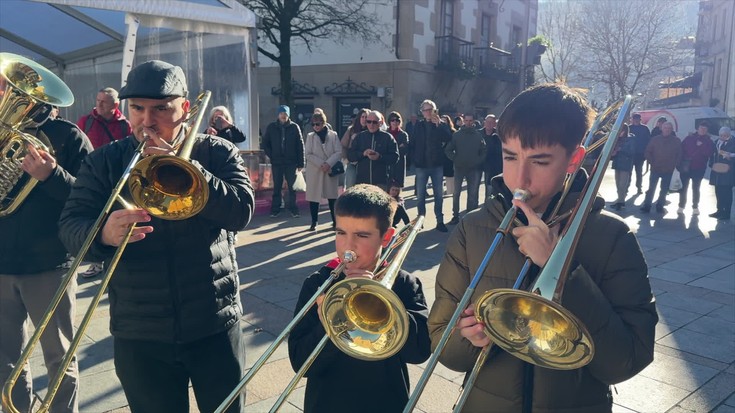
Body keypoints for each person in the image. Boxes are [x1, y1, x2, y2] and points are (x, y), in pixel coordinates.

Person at [428, 84, 657, 412]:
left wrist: (560, 268)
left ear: (573, 159)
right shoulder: (472, 228)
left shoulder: (612, 236)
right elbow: (441, 342)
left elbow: (627, 360)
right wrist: (467, 339)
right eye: (510, 156)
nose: (520, 177)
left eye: (540, 161)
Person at [58, 60, 254, 413]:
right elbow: (70, 226)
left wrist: (193, 172)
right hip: (140, 331)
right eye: (138, 108)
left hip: (214, 321)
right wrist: (102, 233)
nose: (147, 121)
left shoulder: (216, 152)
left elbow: (242, 212)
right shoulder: (104, 162)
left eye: (161, 108)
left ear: (186, 109)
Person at [287, 184, 431, 413]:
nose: (348, 246)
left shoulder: (404, 285)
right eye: (340, 232)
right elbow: (300, 363)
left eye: (362, 235)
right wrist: (329, 327)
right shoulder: (318, 284)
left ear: (386, 237)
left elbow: (420, 351)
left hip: (386, 402)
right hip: (327, 404)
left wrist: (386, 303)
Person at [0, 103, 92, 413]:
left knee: (59, 357)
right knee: (4, 358)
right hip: (2, 263)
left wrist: (51, 175)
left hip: (50, 265)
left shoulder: (69, 136)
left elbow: (89, 197)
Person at [76, 87, 132, 278]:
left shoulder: (126, 125)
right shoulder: (86, 121)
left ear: (115, 105)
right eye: (98, 100)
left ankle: (118, 258)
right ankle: (95, 262)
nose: (98, 104)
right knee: (94, 217)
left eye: (104, 102)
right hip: (93, 178)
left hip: (116, 179)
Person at [409, 99, 452, 232]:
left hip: (436, 165)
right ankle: (420, 220)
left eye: (430, 109)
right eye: (425, 110)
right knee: (420, 196)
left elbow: (448, 138)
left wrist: (439, 125)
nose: (428, 112)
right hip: (421, 165)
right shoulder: (419, 125)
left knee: (438, 195)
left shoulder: (440, 124)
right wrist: (414, 160)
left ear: (435, 110)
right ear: (422, 112)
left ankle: (440, 221)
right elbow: (413, 143)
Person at [262, 104, 305, 217]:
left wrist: (301, 163)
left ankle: (293, 208)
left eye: (285, 114)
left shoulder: (294, 127)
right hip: (277, 162)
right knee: (277, 187)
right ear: (278, 114)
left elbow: (300, 145)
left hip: (291, 162)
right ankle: (275, 209)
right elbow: (265, 143)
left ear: (288, 115)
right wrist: (272, 155)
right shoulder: (272, 127)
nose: (283, 116)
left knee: (292, 187)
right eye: (281, 113)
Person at [445, 113, 487, 224]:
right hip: (459, 168)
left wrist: (478, 161)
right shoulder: (457, 135)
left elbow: (484, 150)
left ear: (473, 121)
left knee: (472, 194)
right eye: (466, 120)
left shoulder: (478, 136)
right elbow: (448, 150)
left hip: (473, 168)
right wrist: (455, 159)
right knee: (456, 193)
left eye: (470, 120)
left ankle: (469, 218)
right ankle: (455, 216)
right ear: (464, 121)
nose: (468, 122)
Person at [304, 112, 341, 231]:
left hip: (329, 169)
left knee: (332, 196)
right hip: (315, 169)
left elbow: (338, 151)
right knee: (313, 196)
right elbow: (308, 154)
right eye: (313, 124)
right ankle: (314, 222)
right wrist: (321, 164)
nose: (315, 127)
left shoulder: (333, 135)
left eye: (318, 124)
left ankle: (335, 221)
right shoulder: (310, 136)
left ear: (324, 123)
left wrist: (328, 163)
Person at [347, 110, 399, 190]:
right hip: (362, 182)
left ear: (380, 123)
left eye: (374, 122)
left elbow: (395, 157)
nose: (371, 125)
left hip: (381, 182)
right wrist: (363, 154)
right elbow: (350, 156)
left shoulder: (387, 138)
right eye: (369, 122)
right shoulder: (360, 137)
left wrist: (379, 157)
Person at [641, 121, 681, 213]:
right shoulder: (655, 139)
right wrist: (652, 162)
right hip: (656, 168)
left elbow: (679, 154)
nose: (667, 130)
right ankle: (647, 205)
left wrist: (675, 165)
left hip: (668, 169)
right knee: (651, 188)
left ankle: (660, 205)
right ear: (661, 129)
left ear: (671, 130)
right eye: (665, 128)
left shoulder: (676, 141)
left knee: (664, 189)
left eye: (669, 128)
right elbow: (647, 152)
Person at [678, 122, 714, 215]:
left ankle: (695, 207)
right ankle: (681, 206)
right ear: (697, 129)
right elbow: (681, 150)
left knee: (696, 187)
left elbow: (709, 153)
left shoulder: (709, 141)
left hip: (699, 168)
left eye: (704, 129)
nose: (702, 130)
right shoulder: (689, 138)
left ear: (707, 131)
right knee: (683, 187)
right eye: (701, 128)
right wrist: (679, 163)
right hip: (686, 167)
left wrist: (701, 146)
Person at [709, 126, 735, 220]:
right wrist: (712, 164)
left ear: (729, 135)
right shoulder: (716, 142)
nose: (723, 137)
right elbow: (712, 154)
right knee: (718, 191)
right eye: (721, 135)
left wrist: (730, 160)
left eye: (725, 135)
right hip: (717, 172)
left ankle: (726, 213)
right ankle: (719, 210)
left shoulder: (733, 143)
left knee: (727, 193)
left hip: (728, 173)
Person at [341, 109, 369, 189]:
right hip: (352, 162)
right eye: (362, 117)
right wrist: (345, 158)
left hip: (365, 163)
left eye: (366, 117)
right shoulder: (351, 130)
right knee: (350, 186)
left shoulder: (371, 131)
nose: (364, 119)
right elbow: (343, 145)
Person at [610, 123, 636, 210]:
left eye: (621, 130)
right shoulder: (617, 140)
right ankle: (619, 200)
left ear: (625, 131)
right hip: (617, 164)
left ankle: (621, 202)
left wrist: (620, 150)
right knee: (618, 184)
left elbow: (632, 151)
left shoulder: (630, 139)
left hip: (625, 164)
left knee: (622, 184)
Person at [628, 113, 651, 195]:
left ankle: (639, 187)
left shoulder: (645, 128)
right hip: (630, 154)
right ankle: (626, 188)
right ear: (632, 119)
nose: (636, 120)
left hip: (640, 154)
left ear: (640, 120)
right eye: (635, 119)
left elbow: (649, 141)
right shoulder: (629, 128)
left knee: (639, 172)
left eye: (638, 119)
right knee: (628, 172)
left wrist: (646, 152)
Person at [386, 111, 409, 188]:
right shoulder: (385, 134)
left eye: (397, 120)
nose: (395, 122)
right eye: (393, 120)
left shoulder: (403, 134)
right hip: (387, 164)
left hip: (399, 165)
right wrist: (398, 147)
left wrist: (392, 149)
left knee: (397, 188)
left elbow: (404, 150)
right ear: (389, 121)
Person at [481, 114, 503, 193]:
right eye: (487, 122)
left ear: (495, 124)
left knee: (490, 188)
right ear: (484, 122)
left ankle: (488, 204)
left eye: (491, 122)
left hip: (493, 166)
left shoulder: (499, 136)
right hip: (478, 164)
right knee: (474, 190)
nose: (489, 124)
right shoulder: (478, 133)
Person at [441, 115, 457, 197]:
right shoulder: (437, 130)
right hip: (440, 155)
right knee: (439, 174)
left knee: (450, 174)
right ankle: (440, 191)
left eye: (445, 120)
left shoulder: (452, 131)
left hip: (448, 155)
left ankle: (450, 191)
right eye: (442, 120)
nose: (443, 122)